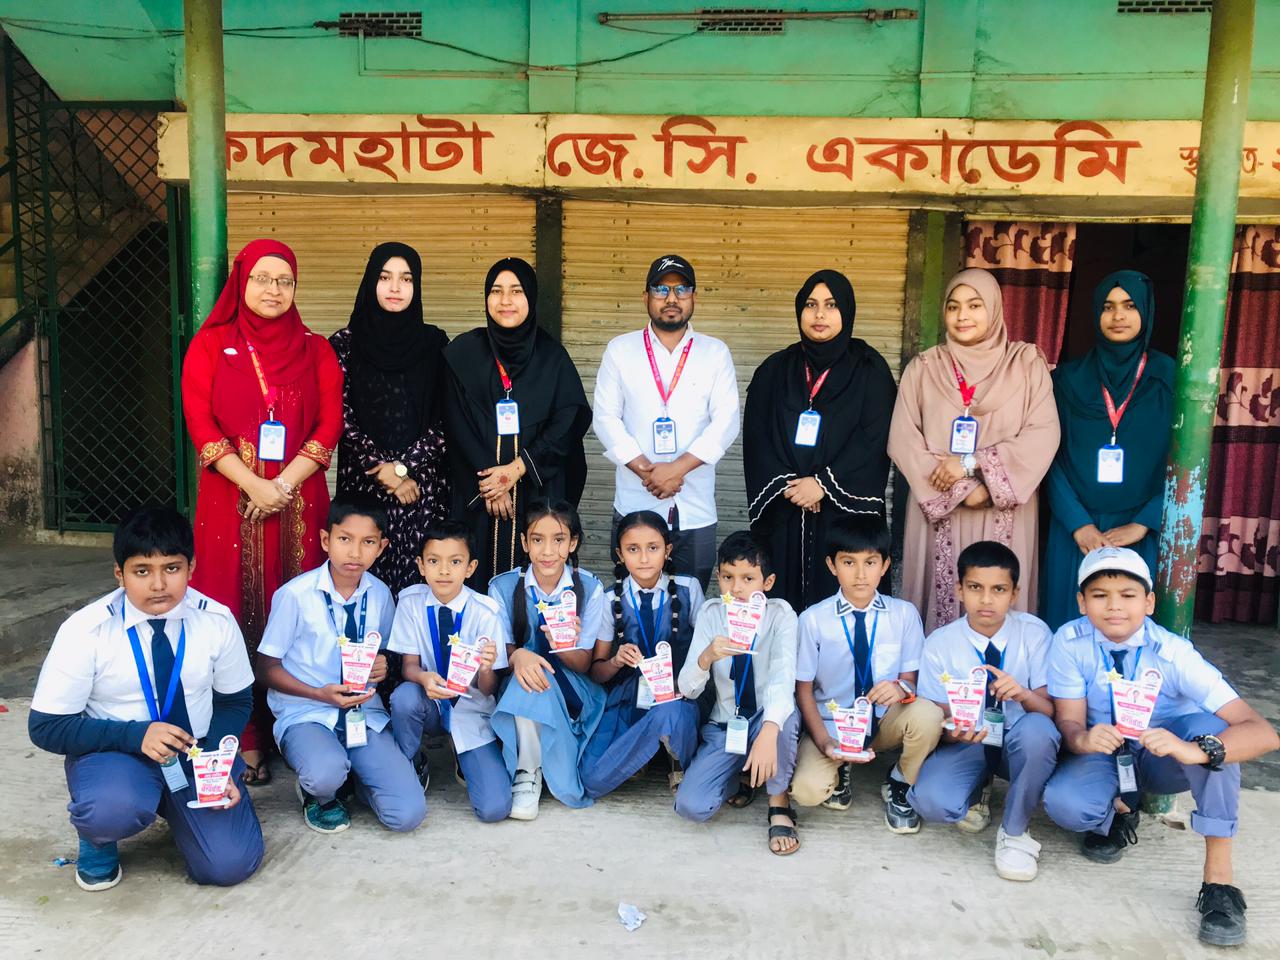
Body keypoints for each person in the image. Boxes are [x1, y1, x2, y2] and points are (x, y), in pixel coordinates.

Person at [1042, 547, 1278, 948]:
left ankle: (1219, 884)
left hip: (1161, 757)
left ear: (1149, 602)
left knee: (1212, 730)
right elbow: (1068, 720)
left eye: (1128, 595)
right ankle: (1119, 810)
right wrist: (1081, 738)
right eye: (1099, 595)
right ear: (1082, 602)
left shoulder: (1174, 653)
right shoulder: (1069, 640)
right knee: (1067, 805)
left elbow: (1262, 731)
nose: (1114, 607)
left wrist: (1198, 751)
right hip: (1105, 753)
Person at [29, 506, 263, 891]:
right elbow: (46, 726)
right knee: (111, 810)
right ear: (119, 573)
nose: (158, 584)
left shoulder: (216, 621)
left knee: (229, 866)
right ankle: (99, 837)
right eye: (142, 571)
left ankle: (181, 808)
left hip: (194, 754)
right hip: (117, 754)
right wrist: (136, 736)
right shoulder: (87, 630)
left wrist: (216, 764)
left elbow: (235, 701)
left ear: (192, 567)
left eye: (172, 568)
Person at [182, 238, 343, 785]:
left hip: (299, 502)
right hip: (230, 501)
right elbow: (200, 422)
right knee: (231, 608)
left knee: (298, 611)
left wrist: (282, 485)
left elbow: (328, 425)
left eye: (285, 281)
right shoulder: (210, 345)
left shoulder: (315, 349)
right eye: (262, 278)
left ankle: (299, 720)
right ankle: (243, 734)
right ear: (241, 281)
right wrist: (253, 483)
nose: (273, 290)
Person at [888, 268, 1059, 632]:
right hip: (938, 508)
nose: (962, 315)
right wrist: (963, 488)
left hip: (1004, 509)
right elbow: (903, 440)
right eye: (953, 307)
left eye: (974, 305)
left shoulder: (1026, 365)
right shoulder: (923, 368)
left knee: (999, 601)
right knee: (937, 610)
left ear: (994, 309)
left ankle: (1002, 685)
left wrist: (972, 465)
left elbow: (1043, 434)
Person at [256, 497, 425, 835]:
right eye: (345, 539)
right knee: (324, 773)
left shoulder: (380, 594)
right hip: (307, 712)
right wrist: (319, 693)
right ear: (325, 540)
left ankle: (359, 779)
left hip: (364, 715)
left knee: (407, 815)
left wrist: (383, 667)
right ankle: (318, 793)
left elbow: (387, 655)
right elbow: (265, 668)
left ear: (382, 547)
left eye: (368, 542)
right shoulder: (296, 595)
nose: (355, 552)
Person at [745, 269, 896, 613]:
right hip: (785, 510)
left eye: (831, 305)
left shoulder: (870, 370)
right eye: (811, 304)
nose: (819, 314)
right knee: (781, 607)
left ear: (847, 310)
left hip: (844, 517)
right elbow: (758, 437)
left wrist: (823, 485)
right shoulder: (775, 370)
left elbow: (874, 439)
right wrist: (790, 486)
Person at [907, 540, 1059, 881]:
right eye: (976, 588)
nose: (987, 600)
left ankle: (1015, 830)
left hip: (1019, 743)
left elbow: (1050, 712)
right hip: (969, 743)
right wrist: (952, 732)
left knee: (1038, 731)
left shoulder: (1034, 635)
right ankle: (978, 787)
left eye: (999, 589)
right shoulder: (940, 643)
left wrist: (1022, 693)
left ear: (1015, 593)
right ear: (960, 590)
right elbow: (937, 715)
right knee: (932, 801)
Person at [789, 514, 943, 834]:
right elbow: (803, 689)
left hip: (883, 721)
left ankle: (901, 781)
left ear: (885, 565)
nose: (860, 574)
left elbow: (911, 679)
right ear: (832, 565)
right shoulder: (813, 620)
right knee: (806, 793)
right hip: (832, 722)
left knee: (928, 715)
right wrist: (824, 742)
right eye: (848, 562)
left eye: (870, 562)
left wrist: (901, 689)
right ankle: (839, 767)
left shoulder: (903, 615)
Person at [443, 257, 591, 588]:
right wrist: (492, 482)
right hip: (477, 495)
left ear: (532, 298)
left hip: (534, 492)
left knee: (533, 581)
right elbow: (454, 422)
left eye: (516, 291)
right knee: (473, 576)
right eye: (496, 291)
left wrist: (517, 469)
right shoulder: (463, 352)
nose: (506, 300)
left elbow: (569, 420)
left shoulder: (553, 358)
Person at [593, 254, 740, 588]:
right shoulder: (621, 350)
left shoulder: (715, 353)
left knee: (689, 607)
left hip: (695, 509)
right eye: (661, 289)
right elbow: (605, 418)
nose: (671, 298)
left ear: (694, 297)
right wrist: (650, 472)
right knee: (630, 607)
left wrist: (676, 470)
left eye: (681, 289)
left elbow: (726, 422)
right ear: (646, 297)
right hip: (635, 502)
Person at [1042, 271, 1173, 629]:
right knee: (1069, 627)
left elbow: (1185, 464)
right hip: (1076, 532)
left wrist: (1145, 523)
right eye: (1108, 306)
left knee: (1130, 629)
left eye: (1130, 306)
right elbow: (1047, 457)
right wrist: (1077, 523)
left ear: (1146, 312)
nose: (1118, 316)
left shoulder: (1170, 378)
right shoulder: (1067, 380)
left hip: (1138, 530)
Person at [330, 241, 451, 595]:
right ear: (371, 282)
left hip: (420, 491)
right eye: (385, 277)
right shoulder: (344, 345)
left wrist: (403, 469)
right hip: (364, 488)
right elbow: (339, 413)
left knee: (421, 587)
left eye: (406, 279)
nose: (396, 288)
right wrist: (381, 467)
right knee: (362, 583)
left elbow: (450, 418)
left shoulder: (436, 344)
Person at [674, 531, 801, 856]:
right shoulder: (712, 613)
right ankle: (742, 775)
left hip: (763, 719)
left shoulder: (780, 614)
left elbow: (783, 679)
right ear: (718, 577)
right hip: (727, 724)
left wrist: (769, 730)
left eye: (748, 578)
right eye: (728, 577)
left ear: (767, 582)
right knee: (692, 806)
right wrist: (706, 657)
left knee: (783, 718)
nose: (737, 588)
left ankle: (778, 800)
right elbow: (687, 688)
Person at [386, 519, 513, 823]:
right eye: (434, 561)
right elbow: (409, 667)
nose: (444, 571)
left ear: (470, 568)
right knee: (404, 697)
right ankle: (412, 761)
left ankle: (464, 751)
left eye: (455, 562)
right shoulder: (410, 602)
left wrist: (485, 668)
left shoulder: (487, 612)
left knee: (494, 809)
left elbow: (488, 689)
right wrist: (423, 678)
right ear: (420, 565)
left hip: (471, 709)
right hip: (429, 702)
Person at [489, 498, 607, 819]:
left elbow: (584, 664)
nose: (548, 551)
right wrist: (521, 656)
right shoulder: (503, 587)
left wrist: (564, 646)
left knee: (535, 680)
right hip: (520, 682)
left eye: (559, 540)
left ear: (573, 543)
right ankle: (528, 768)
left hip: (572, 687)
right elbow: (502, 655)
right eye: (538, 540)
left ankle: (531, 769)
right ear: (525, 543)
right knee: (528, 678)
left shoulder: (590, 588)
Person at [581, 511, 705, 799]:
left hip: (678, 694)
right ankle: (649, 750)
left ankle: (671, 758)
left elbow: (706, 655)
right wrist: (615, 660)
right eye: (633, 549)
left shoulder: (689, 589)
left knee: (670, 712)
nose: (644, 558)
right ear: (619, 555)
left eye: (653, 547)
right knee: (591, 778)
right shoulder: (611, 598)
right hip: (630, 697)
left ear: (668, 550)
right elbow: (597, 671)